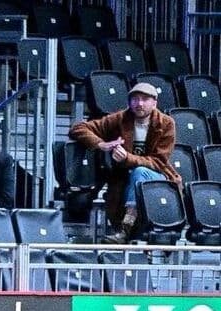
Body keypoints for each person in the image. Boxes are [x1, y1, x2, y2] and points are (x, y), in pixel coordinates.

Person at [69, 82, 180, 243]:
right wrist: (101, 144)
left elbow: (158, 161)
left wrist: (127, 158)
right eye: (135, 99)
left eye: (144, 99)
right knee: (133, 177)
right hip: (124, 178)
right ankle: (128, 229)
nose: (139, 103)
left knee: (139, 172)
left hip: (157, 176)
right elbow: (78, 128)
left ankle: (126, 229)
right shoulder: (120, 119)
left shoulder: (166, 123)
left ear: (154, 103)